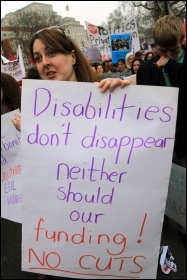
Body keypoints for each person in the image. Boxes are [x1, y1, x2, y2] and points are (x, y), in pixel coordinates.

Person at [12, 25, 130, 279]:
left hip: (105, 227)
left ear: (73, 56)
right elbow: (42, 180)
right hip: (63, 236)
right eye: (38, 58)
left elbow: (129, 158)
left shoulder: (108, 94)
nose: (45, 63)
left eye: (52, 52)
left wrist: (125, 100)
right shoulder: (36, 113)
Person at [137, 15, 186, 236]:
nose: (166, 56)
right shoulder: (146, 69)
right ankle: (160, 220)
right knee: (161, 183)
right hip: (160, 139)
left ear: (182, 41)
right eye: (162, 51)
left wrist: (172, 66)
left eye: (173, 51)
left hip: (184, 136)